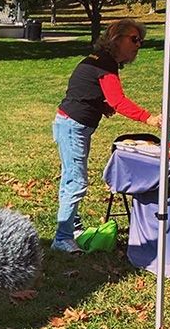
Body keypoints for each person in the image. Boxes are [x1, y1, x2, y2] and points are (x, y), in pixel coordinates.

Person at [51, 19, 161, 253]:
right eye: (133, 39)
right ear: (115, 38)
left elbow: (82, 91)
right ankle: (62, 238)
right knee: (76, 182)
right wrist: (148, 118)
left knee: (70, 179)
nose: (138, 44)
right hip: (72, 126)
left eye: (140, 40)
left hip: (71, 124)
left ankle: (73, 227)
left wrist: (100, 106)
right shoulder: (105, 64)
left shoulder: (98, 61)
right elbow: (118, 100)